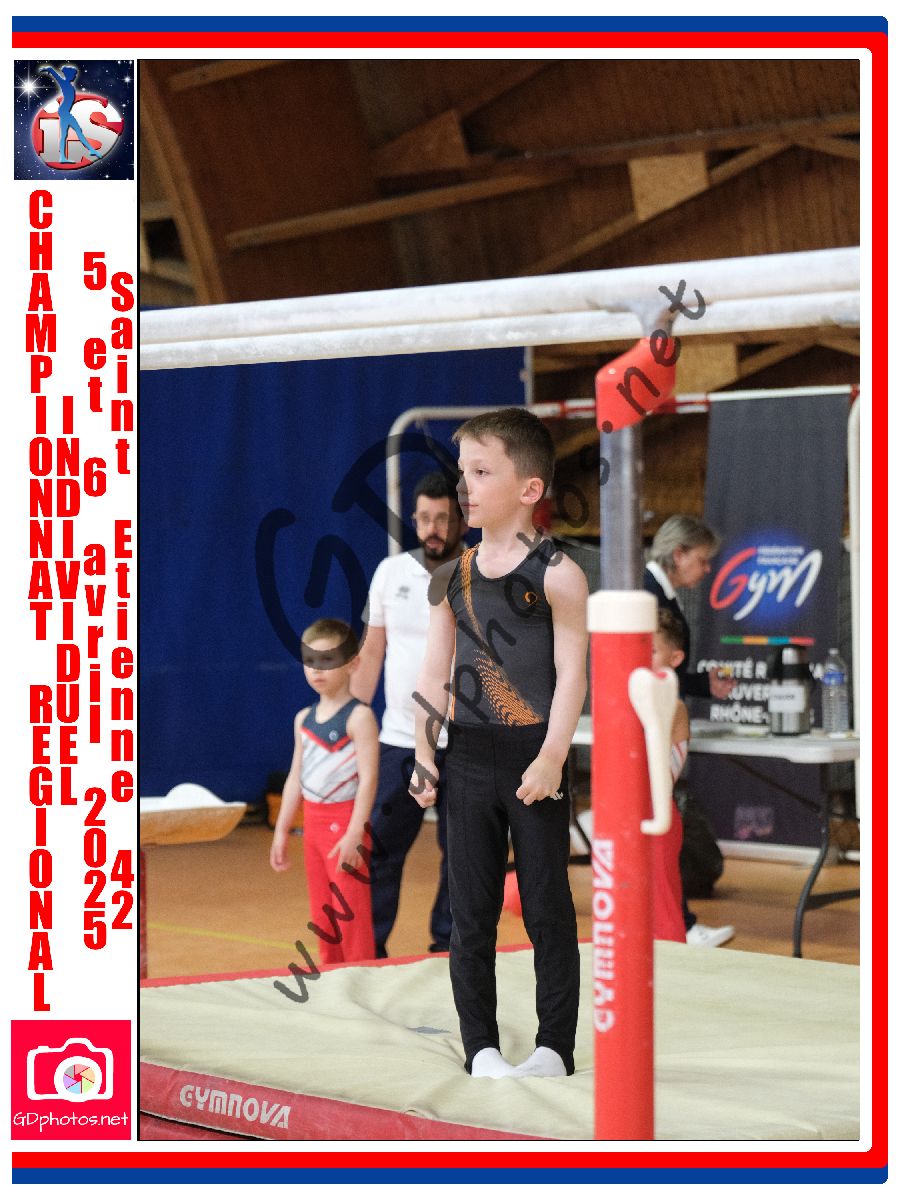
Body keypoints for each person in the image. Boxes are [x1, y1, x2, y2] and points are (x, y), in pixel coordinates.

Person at [412, 408, 588, 1079]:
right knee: (471, 913)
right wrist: (425, 751)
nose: (465, 487)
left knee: (546, 907)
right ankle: (480, 1047)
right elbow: (435, 670)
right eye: (463, 473)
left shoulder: (557, 575)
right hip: (466, 756)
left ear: (529, 489)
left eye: (482, 473)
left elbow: (572, 674)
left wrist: (552, 756)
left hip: (533, 757)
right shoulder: (450, 578)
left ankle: (554, 1048)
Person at [352, 472, 466, 957]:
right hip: (399, 740)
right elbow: (371, 652)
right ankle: (369, 948)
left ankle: (448, 946)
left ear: (461, 520)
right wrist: (350, 719)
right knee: (379, 850)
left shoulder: (479, 573)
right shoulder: (389, 572)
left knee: (462, 855)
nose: (432, 528)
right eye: (423, 518)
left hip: (464, 740)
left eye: (442, 518)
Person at [644, 515, 735, 948]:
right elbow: (649, 663)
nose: (707, 569)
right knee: (657, 833)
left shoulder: (660, 595)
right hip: (651, 722)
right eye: (702, 559)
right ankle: (678, 924)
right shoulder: (647, 594)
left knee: (660, 836)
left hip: (661, 715)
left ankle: (676, 923)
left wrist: (701, 684)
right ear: (678, 554)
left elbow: (664, 664)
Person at [270, 618, 379, 964]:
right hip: (313, 826)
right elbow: (295, 779)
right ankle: (331, 973)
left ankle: (360, 976)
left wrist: (355, 832)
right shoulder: (303, 719)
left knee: (350, 912)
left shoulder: (359, 717)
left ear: (352, 664)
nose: (317, 669)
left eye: (328, 660)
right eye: (311, 660)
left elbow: (369, 780)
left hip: (345, 823)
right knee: (323, 912)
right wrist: (281, 830)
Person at [650, 609, 691, 943]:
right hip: (625, 815)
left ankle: (676, 958)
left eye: (650, 651)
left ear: (674, 658)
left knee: (663, 906)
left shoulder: (674, 706)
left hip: (657, 816)